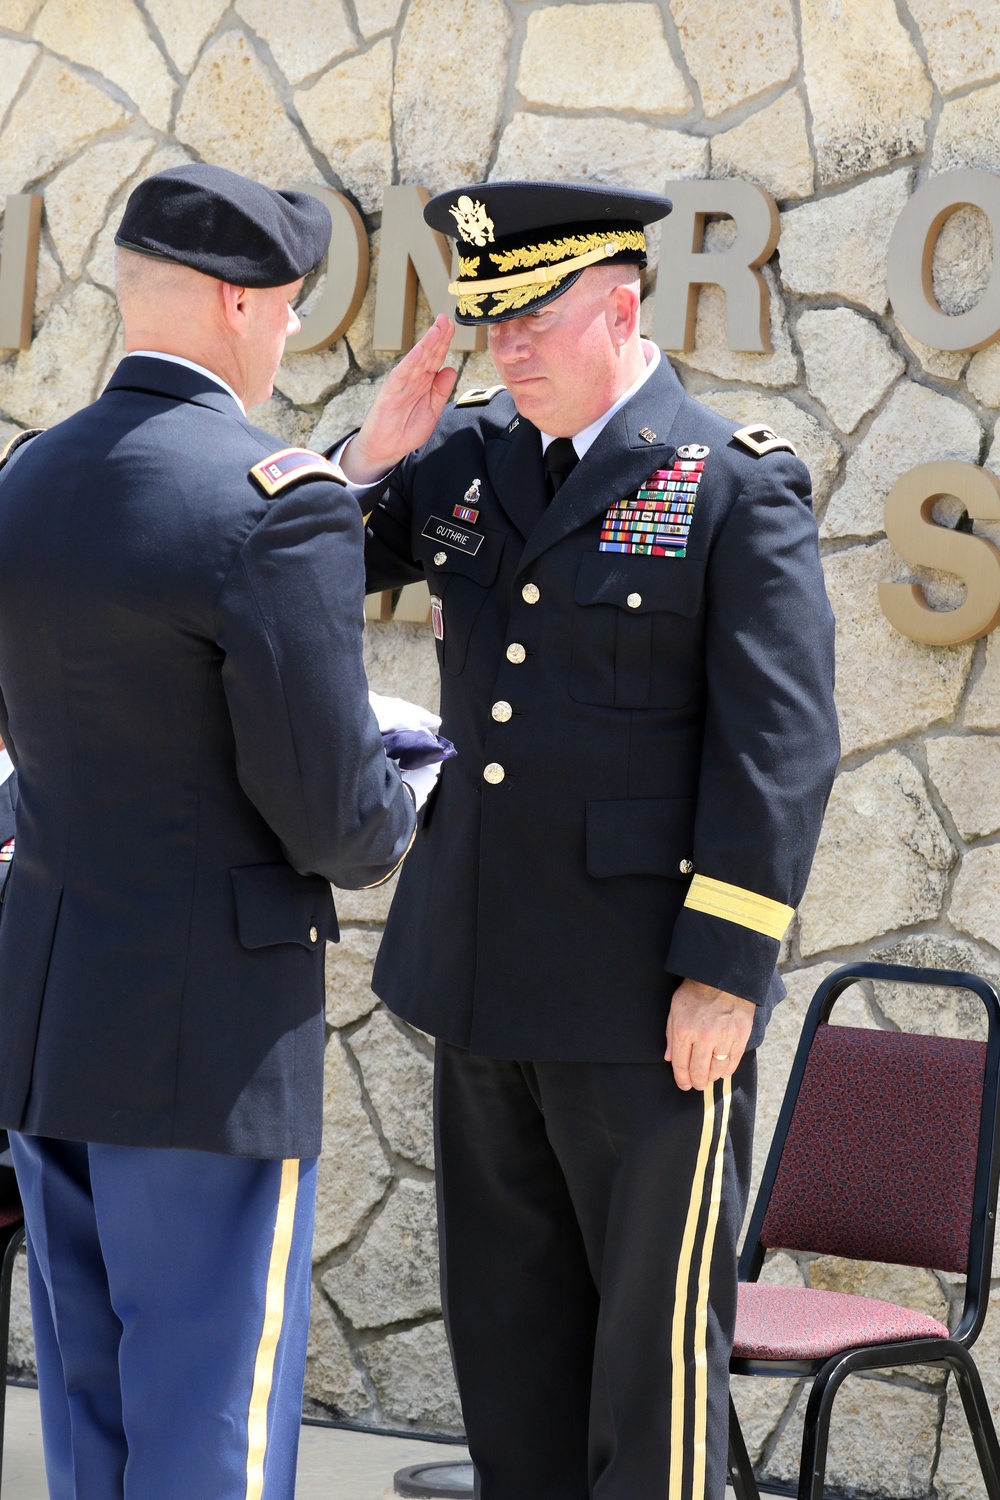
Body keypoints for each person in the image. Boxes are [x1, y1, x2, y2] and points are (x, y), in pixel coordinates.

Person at [334, 180, 841, 1499]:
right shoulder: (462, 464)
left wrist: (727, 971)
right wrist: (371, 458)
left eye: (530, 324)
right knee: (510, 1353)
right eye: (488, 324)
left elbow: (778, 750)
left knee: (647, 1370)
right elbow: (304, 569)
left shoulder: (729, 488)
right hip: (480, 979)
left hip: (643, 1007)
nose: (504, 352)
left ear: (621, 308)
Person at [0, 163, 418, 1500]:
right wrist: (403, 794)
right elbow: (332, 816)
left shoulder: (32, 479)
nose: (293, 334)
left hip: (52, 1028)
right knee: (212, 1443)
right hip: (208, 1050)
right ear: (240, 307)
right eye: (291, 307)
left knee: (96, 1427)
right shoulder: (276, 500)